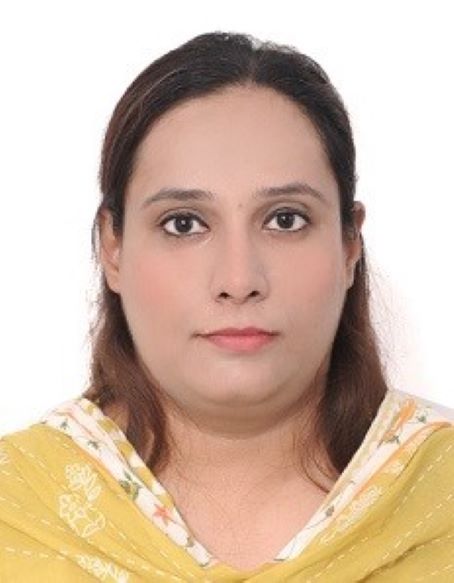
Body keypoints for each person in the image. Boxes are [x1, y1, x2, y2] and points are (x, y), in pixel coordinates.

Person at [1, 31, 453, 582]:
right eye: (183, 224)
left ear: (349, 244)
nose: (238, 281)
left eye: (285, 219)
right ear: (112, 247)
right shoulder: (14, 515)